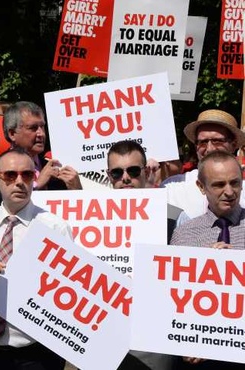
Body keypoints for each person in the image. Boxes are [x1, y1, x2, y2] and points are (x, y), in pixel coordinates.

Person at [0, 148, 70, 370]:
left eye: (27, 175)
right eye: (10, 175)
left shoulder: (55, 227)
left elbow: (67, 290)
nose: (19, 182)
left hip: (36, 353)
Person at [105, 140, 179, 370]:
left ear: (146, 172)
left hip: (152, 343)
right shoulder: (85, 218)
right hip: (103, 337)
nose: (125, 178)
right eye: (117, 172)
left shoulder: (173, 219)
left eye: (133, 171)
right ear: (109, 176)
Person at [170, 151, 245, 370]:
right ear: (201, 187)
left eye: (235, 183)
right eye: (218, 185)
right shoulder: (184, 234)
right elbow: (172, 300)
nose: (229, 192)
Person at [0, 101, 81, 212]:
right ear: (12, 134)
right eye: (33, 128)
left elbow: (75, 212)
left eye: (42, 127)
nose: (41, 134)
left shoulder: (56, 169)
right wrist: (36, 185)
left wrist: (76, 189)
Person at [162, 109, 245, 221]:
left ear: (233, 144)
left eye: (217, 141)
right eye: (203, 142)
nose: (210, 149)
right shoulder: (171, 188)